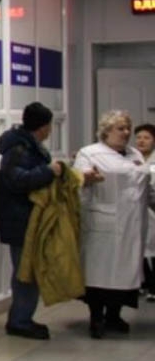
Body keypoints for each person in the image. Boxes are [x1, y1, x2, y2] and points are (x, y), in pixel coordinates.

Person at [74, 110, 150, 339]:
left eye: (128, 128)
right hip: (103, 224)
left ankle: (114, 316)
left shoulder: (135, 153)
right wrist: (87, 178)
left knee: (126, 274)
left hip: (132, 224)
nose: (126, 132)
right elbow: (77, 180)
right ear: (106, 131)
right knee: (99, 274)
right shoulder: (89, 153)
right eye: (120, 128)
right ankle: (97, 317)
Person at [0, 102, 62, 339]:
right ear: (43, 127)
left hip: (27, 219)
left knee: (28, 271)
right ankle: (20, 321)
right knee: (26, 272)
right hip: (21, 220)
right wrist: (49, 171)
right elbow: (17, 180)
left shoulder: (25, 146)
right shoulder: (19, 150)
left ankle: (22, 318)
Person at [138, 123, 155, 301]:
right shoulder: (133, 158)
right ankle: (144, 283)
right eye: (139, 137)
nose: (142, 141)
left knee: (152, 248)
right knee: (139, 248)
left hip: (151, 208)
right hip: (137, 210)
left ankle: (153, 286)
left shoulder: (153, 162)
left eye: (146, 138)